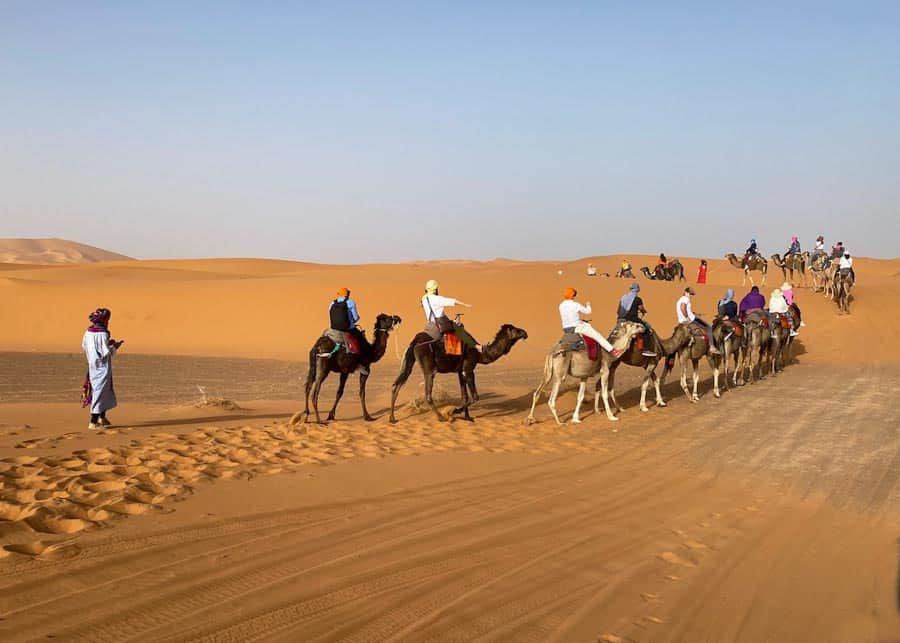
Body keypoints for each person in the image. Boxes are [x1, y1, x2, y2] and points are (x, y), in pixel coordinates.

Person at [82, 308, 123, 430]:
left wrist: (107, 344)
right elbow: (106, 353)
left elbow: (86, 347)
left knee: (104, 391)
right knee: (100, 392)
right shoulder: (103, 333)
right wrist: (115, 347)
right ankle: (93, 422)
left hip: (93, 365)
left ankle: (102, 417)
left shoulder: (88, 332)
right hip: (102, 367)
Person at [560, 287, 622, 357]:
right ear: (572, 296)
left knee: (584, 324)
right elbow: (588, 312)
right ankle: (613, 350)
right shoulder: (575, 304)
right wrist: (588, 305)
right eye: (574, 295)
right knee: (596, 335)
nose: (574, 297)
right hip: (576, 327)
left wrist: (580, 320)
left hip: (566, 328)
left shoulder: (561, 305)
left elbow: (569, 316)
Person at [421, 280, 481, 351]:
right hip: (440, 323)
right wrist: (464, 305)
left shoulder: (424, 299)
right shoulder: (437, 299)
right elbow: (453, 301)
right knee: (458, 328)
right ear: (435, 289)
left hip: (430, 323)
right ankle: (476, 346)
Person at [329, 287, 372, 367]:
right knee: (361, 341)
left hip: (333, 328)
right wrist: (354, 320)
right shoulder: (351, 302)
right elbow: (355, 318)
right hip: (348, 329)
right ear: (347, 294)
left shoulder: (332, 303)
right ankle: (359, 363)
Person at [616, 282, 657, 357]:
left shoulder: (624, 297)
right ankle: (646, 349)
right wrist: (644, 311)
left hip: (621, 318)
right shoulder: (637, 299)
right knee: (646, 329)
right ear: (637, 290)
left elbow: (619, 310)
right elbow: (641, 308)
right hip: (633, 318)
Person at [676, 287, 720, 354]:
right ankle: (712, 347)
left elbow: (685, 309)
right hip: (691, 320)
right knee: (708, 328)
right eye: (690, 294)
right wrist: (687, 317)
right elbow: (683, 307)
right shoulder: (685, 299)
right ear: (685, 292)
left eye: (692, 294)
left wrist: (693, 313)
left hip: (681, 320)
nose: (691, 296)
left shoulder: (680, 300)